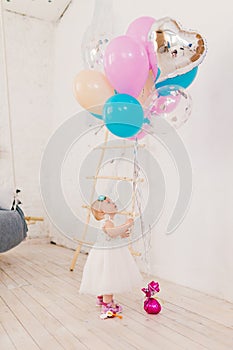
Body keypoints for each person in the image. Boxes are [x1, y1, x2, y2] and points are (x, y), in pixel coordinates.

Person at [79, 195, 143, 314]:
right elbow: (111, 233)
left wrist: (121, 234)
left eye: (112, 201)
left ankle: (102, 296)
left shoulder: (109, 221)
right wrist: (127, 225)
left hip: (107, 251)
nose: (113, 203)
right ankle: (107, 304)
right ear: (102, 211)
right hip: (108, 253)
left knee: (105, 274)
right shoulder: (107, 221)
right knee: (110, 275)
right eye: (109, 203)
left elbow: (111, 234)